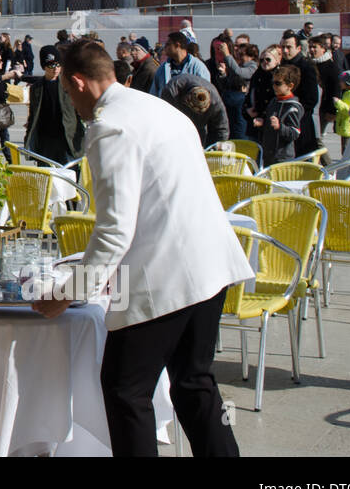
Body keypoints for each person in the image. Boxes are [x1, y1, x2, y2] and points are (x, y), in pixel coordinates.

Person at [36, 39, 253, 457]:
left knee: (125, 390)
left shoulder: (110, 126)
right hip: (210, 263)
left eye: (67, 90)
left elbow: (115, 228)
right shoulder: (158, 107)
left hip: (165, 276)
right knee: (194, 383)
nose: (70, 100)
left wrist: (68, 293)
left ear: (78, 82)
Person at [23, 44, 84, 163]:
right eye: (51, 65)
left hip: (67, 139)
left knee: (69, 174)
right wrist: (29, 138)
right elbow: (33, 115)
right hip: (45, 140)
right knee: (47, 176)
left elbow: (79, 110)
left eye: (58, 65)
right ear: (44, 67)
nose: (55, 69)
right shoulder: (36, 88)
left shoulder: (69, 84)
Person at [160, 73, 230, 146]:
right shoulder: (172, 90)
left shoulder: (216, 103)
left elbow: (221, 129)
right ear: (186, 100)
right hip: (175, 126)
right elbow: (164, 119)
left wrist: (215, 148)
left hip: (199, 129)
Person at [254, 65, 304, 165]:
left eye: (278, 83)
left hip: (282, 157)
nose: (274, 86)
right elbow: (269, 125)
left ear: (290, 86)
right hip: (268, 153)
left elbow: (295, 132)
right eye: (273, 83)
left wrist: (280, 127)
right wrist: (262, 123)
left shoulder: (292, 107)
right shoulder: (274, 101)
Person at [279, 31, 320, 154]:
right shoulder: (281, 65)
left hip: (301, 122)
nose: (285, 51)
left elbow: (312, 99)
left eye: (289, 47)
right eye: (283, 47)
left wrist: (294, 111)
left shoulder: (306, 67)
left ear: (298, 48)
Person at [149, 31, 211, 96]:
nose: (165, 47)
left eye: (168, 44)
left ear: (177, 45)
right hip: (166, 106)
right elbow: (154, 94)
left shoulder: (198, 67)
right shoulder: (162, 69)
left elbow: (205, 96)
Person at [310, 34, 341, 137]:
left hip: (324, 109)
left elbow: (336, 89)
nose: (311, 49)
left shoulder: (330, 66)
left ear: (323, 49)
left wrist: (332, 110)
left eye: (315, 47)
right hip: (310, 108)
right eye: (310, 47)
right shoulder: (310, 64)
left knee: (317, 139)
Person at [334, 70, 350, 157]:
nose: (340, 83)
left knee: (346, 152)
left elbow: (349, 111)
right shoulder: (347, 93)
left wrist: (338, 103)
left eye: (342, 81)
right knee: (344, 150)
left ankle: (347, 168)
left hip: (348, 128)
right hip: (345, 127)